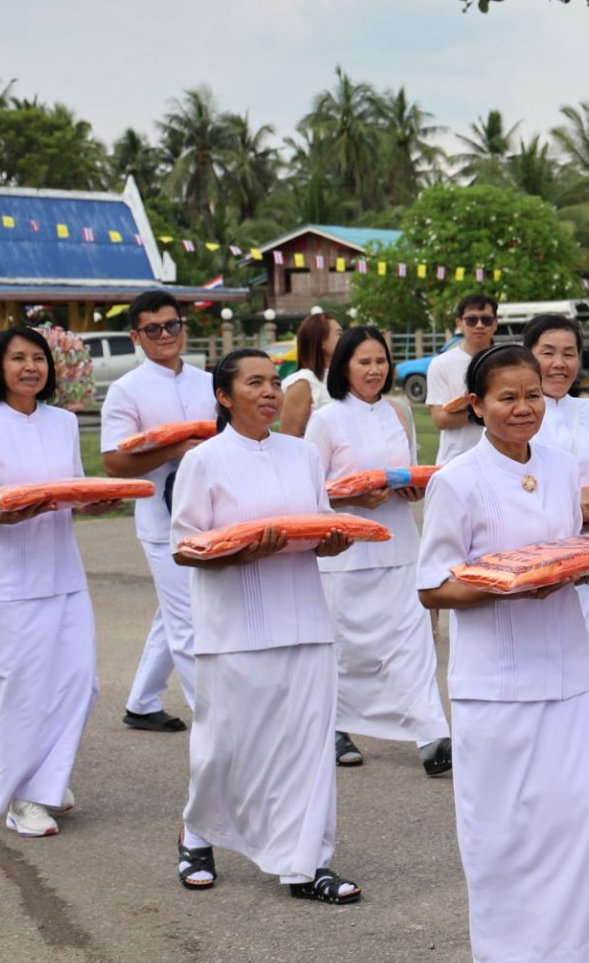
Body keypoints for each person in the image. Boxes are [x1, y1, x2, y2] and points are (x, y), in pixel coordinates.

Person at [417, 344, 589, 963]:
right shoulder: (456, 481)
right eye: (507, 397)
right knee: (508, 828)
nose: (523, 408)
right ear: (476, 405)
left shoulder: (564, 468)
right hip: (497, 682)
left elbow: (569, 559)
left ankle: (574, 950)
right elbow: (433, 587)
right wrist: (508, 585)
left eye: (533, 395)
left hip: (569, 672)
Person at [169, 349, 359, 903]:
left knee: (307, 747)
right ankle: (198, 832)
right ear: (225, 397)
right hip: (234, 625)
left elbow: (317, 526)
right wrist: (239, 554)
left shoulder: (303, 455)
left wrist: (333, 540)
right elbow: (185, 547)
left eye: (274, 382)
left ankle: (307, 864)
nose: (271, 392)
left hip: (304, 619)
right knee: (225, 746)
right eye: (255, 383)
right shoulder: (203, 460)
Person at [0, 328, 113, 837]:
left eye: (38, 358)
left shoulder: (64, 422)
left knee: (76, 680)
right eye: (18, 358)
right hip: (4, 578)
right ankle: (22, 796)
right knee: (16, 689)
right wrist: (7, 517)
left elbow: (73, 490)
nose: (30, 367)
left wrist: (96, 501)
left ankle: (46, 776)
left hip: (61, 572)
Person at [305, 324, 450, 776]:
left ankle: (431, 736)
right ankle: (334, 726)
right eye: (363, 361)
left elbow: (409, 471)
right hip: (346, 551)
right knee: (347, 649)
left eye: (380, 361)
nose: (374, 369)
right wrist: (351, 499)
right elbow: (309, 490)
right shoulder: (325, 419)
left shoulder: (399, 411)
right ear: (343, 366)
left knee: (413, 642)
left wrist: (413, 490)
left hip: (401, 544)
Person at [99, 290, 212, 734]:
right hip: (161, 518)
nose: (165, 334)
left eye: (172, 325)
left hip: (210, 511)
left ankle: (143, 702)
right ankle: (216, 720)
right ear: (136, 336)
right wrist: (175, 448)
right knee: (189, 619)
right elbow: (113, 462)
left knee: (175, 609)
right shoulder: (126, 390)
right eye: (153, 329)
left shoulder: (207, 381)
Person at [527, 312, 589, 652]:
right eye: (548, 352)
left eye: (568, 353)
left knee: (585, 657)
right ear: (528, 356)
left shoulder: (588, 409)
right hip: (535, 558)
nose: (559, 363)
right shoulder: (516, 414)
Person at [422, 295, 500, 465]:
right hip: (454, 461)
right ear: (459, 323)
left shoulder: (506, 362)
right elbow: (441, 420)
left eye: (486, 320)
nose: (479, 325)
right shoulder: (441, 363)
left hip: (499, 459)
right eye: (471, 320)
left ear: (495, 323)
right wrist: (485, 409)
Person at [279, 312, 338, 439]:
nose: (344, 339)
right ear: (322, 341)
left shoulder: (346, 377)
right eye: (339, 334)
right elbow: (289, 439)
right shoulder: (304, 383)